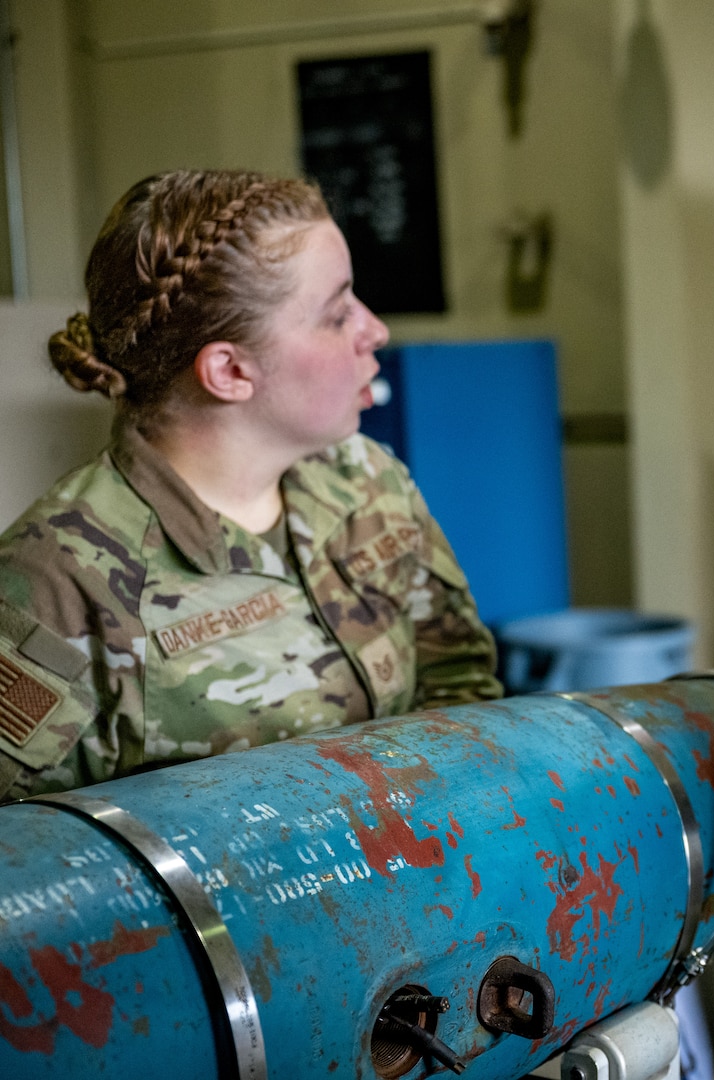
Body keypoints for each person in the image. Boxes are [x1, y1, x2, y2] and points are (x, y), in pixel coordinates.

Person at [0, 169, 501, 803]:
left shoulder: (367, 480)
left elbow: (460, 696)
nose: (374, 330)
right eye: (338, 312)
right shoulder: (55, 586)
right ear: (231, 370)